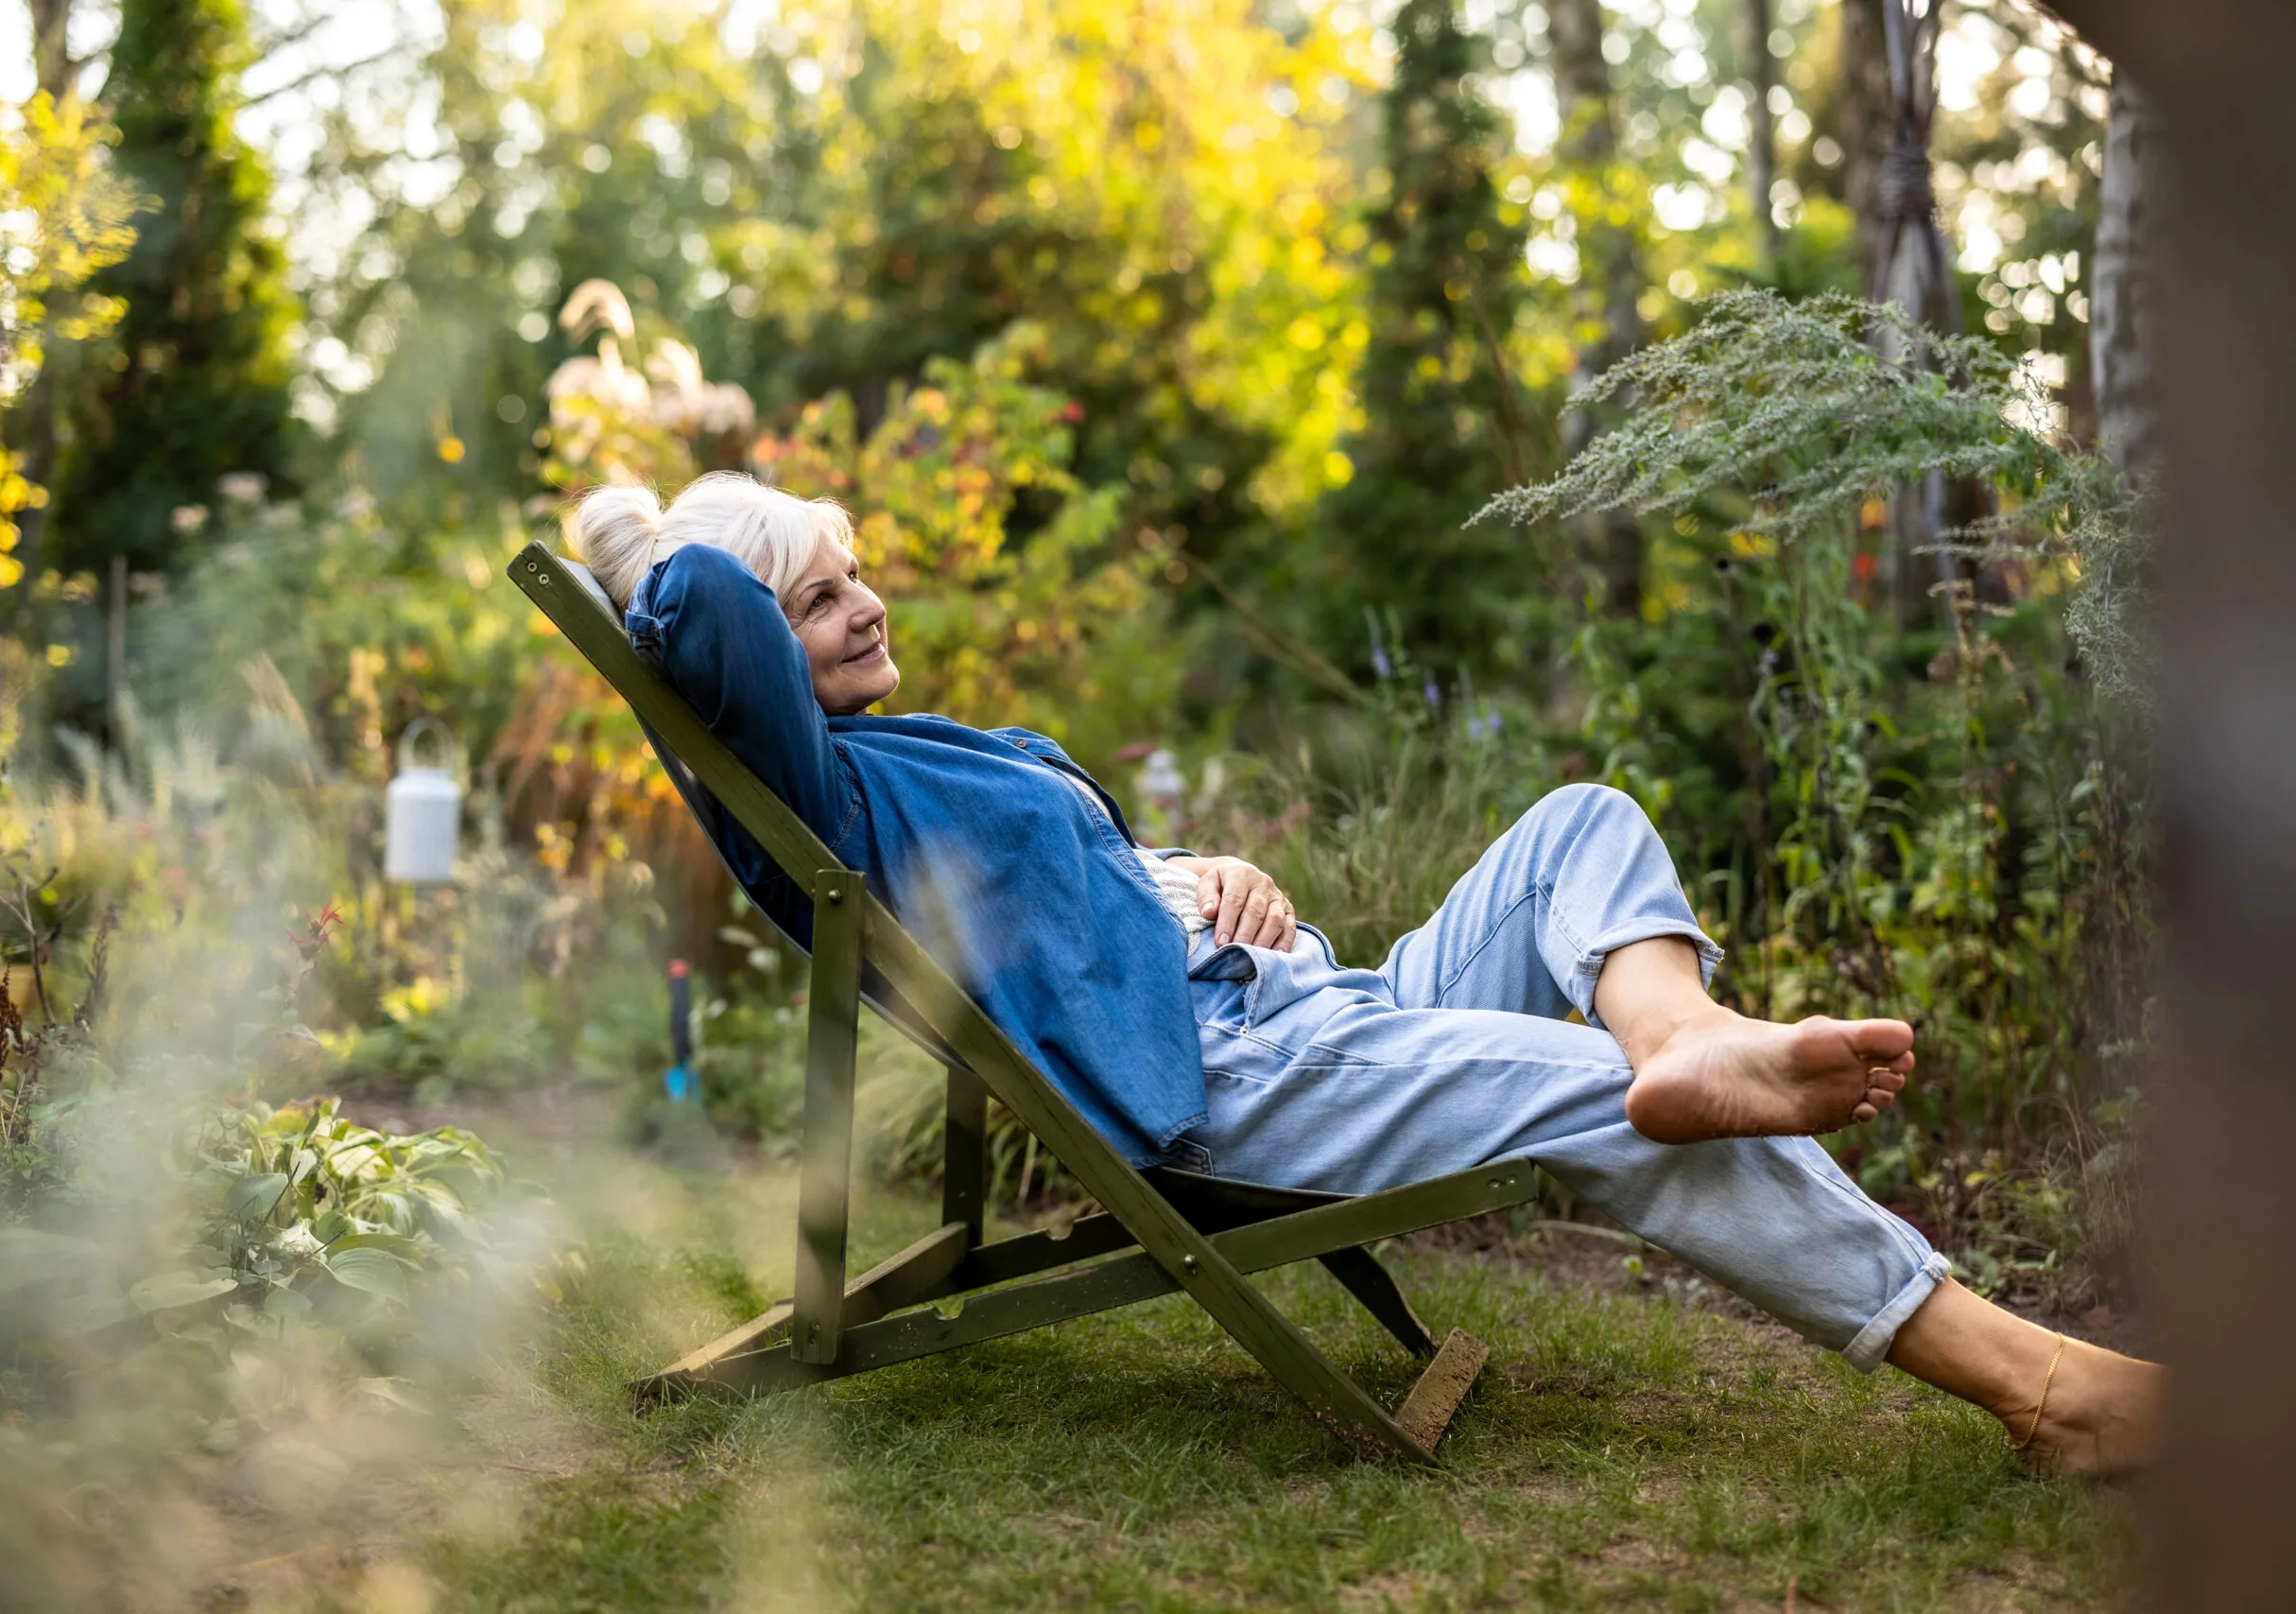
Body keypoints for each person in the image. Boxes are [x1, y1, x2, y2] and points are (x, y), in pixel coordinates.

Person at [574, 471, 2165, 1478]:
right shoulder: (819, 795)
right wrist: (642, 538)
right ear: (761, 661)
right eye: (818, 598)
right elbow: (703, 606)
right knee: (1594, 1101)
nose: (860, 605)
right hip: (1231, 1086)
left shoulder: (908, 752)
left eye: (856, 574)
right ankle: (2040, 1384)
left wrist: (1194, 872)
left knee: (1577, 822)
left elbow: (1077, 889)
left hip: (1317, 999)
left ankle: (1688, 1034)